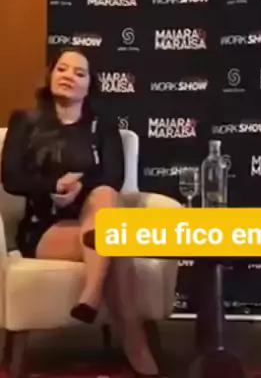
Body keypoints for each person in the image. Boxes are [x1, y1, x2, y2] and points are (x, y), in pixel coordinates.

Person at [1, 48, 161, 377]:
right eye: (62, 69)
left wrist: (80, 186)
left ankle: (92, 294)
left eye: (79, 73)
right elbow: (11, 178)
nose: (69, 76)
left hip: (94, 218)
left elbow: (113, 177)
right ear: (50, 75)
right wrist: (52, 187)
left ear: (90, 85)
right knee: (116, 246)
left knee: (104, 196)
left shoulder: (103, 127)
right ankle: (137, 348)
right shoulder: (24, 122)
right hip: (45, 228)